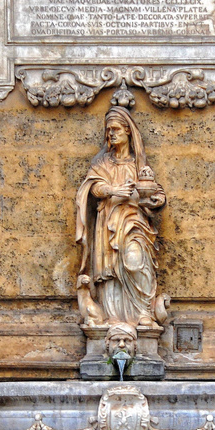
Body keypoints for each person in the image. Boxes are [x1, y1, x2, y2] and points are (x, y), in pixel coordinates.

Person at [75, 106, 166, 328]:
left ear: (128, 131)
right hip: (108, 222)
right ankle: (112, 316)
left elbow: (154, 190)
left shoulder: (139, 165)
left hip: (135, 221)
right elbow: (93, 187)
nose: (111, 134)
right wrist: (113, 191)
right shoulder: (103, 163)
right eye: (108, 130)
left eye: (116, 129)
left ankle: (143, 311)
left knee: (135, 261)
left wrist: (156, 199)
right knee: (111, 270)